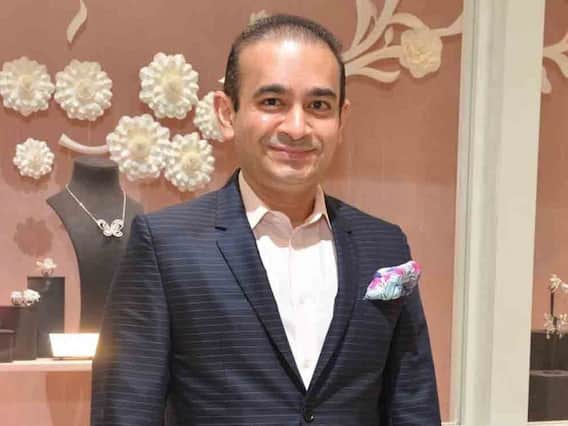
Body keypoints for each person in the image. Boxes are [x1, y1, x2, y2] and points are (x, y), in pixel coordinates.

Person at [91, 14, 441, 426]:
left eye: (318, 106)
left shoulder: (384, 245)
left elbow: (412, 400)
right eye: (272, 102)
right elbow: (126, 410)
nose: (297, 127)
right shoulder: (166, 245)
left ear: (341, 118)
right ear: (227, 112)